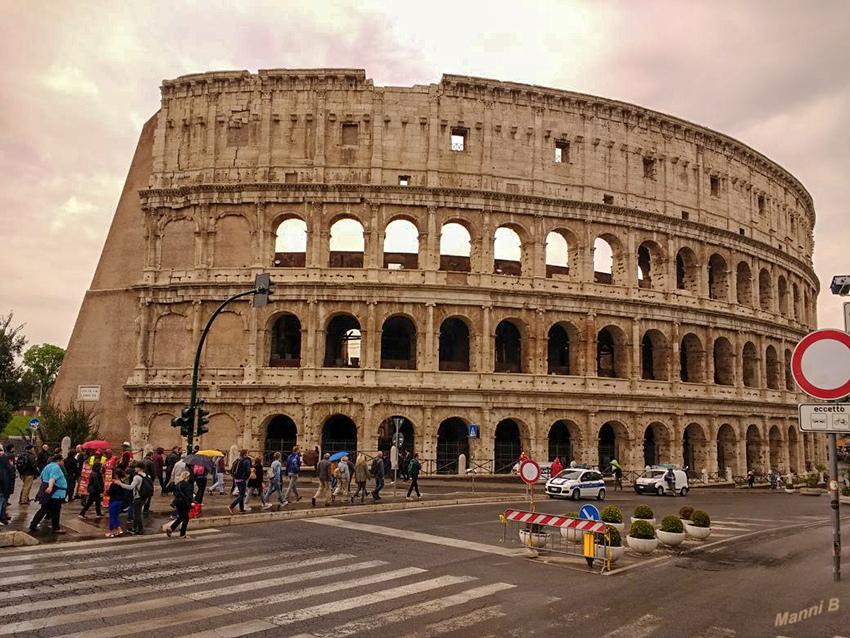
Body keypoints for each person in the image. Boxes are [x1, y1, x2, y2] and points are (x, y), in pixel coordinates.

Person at [28, 453, 67, 535]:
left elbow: (42, 477)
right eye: (62, 460)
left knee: (44, 509)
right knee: (55, 511)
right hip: (56, 493)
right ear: (58, 460)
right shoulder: (56, 467)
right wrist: (50, 487)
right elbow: (52, 478)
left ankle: (33, 525)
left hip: (50, 491)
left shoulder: (47, 466)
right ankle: (56, 528)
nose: (63, 462)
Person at [114, 461, 152, 535]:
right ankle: (134, 528)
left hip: (138, 497)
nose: (135, 468)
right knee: (137, 513)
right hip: (144, 497)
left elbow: (130, 487)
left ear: (139, 468)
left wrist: (120, 484)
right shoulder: (147, 476)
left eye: (136, 467)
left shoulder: (137, 477)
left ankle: (140, 529)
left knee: (137, 514)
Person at [166, 470, 193, 539]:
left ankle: (175, 530)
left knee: (183, 517)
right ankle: (179, 533)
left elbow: (175, 493)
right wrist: (192, 501)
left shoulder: (178, 484)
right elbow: (189, 495)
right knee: (184, 517)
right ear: (187, 476)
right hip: (184, 503)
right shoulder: (187, 484)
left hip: (178, 502)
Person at [228, 450, 252, 515]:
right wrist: (246, 477)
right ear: (245, 454)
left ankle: (241, 509)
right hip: (242, 479)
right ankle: (232, 506)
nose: (248, 454)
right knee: (242, 495)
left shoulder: (237, 460)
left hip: (236, 479)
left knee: (241, 494)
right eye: (247, 453)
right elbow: (248, 471)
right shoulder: (246, 461)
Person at [106, 468, 129, 537]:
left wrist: (107, 491)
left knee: (112, 517)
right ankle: (119, 529)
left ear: (116, 475)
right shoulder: (123, 483)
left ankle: (111, 531)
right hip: (120, 501)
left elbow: (110, 493)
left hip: (113, 501)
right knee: (116, 516)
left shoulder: (113, 484)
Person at [0, 444, 15, 524]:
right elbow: (6, 476)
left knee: (3, 502)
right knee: (2, 502)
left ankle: (3, 516)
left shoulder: (4, 460)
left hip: (4, 487)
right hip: (3, 487)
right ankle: (2, 517)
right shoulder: (4, 460)